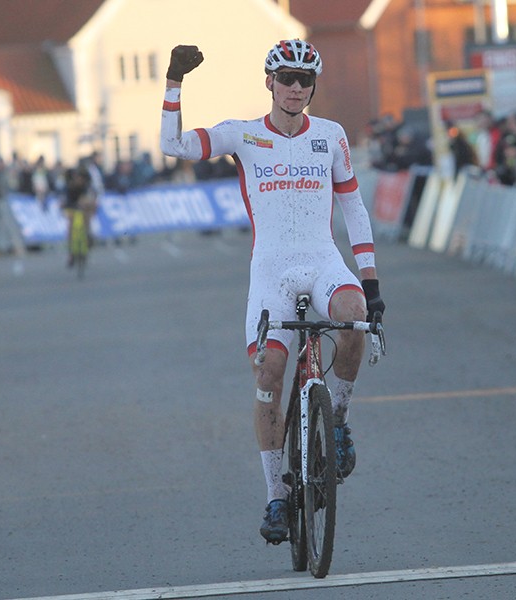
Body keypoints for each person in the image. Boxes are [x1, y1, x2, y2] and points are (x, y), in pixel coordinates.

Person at [159, 40, 385, 544]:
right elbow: (174, 148)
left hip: (324, 261)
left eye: (306, 80)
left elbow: (354, 209)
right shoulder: (243, 135)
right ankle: (276, 496)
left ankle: (340, 420)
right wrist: (174, 83)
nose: (296, 88)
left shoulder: (330, 136)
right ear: (269, 83)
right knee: (271, 372)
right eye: (286, 78)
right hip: (272, 273)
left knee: (354, 319)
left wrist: (369, 281)